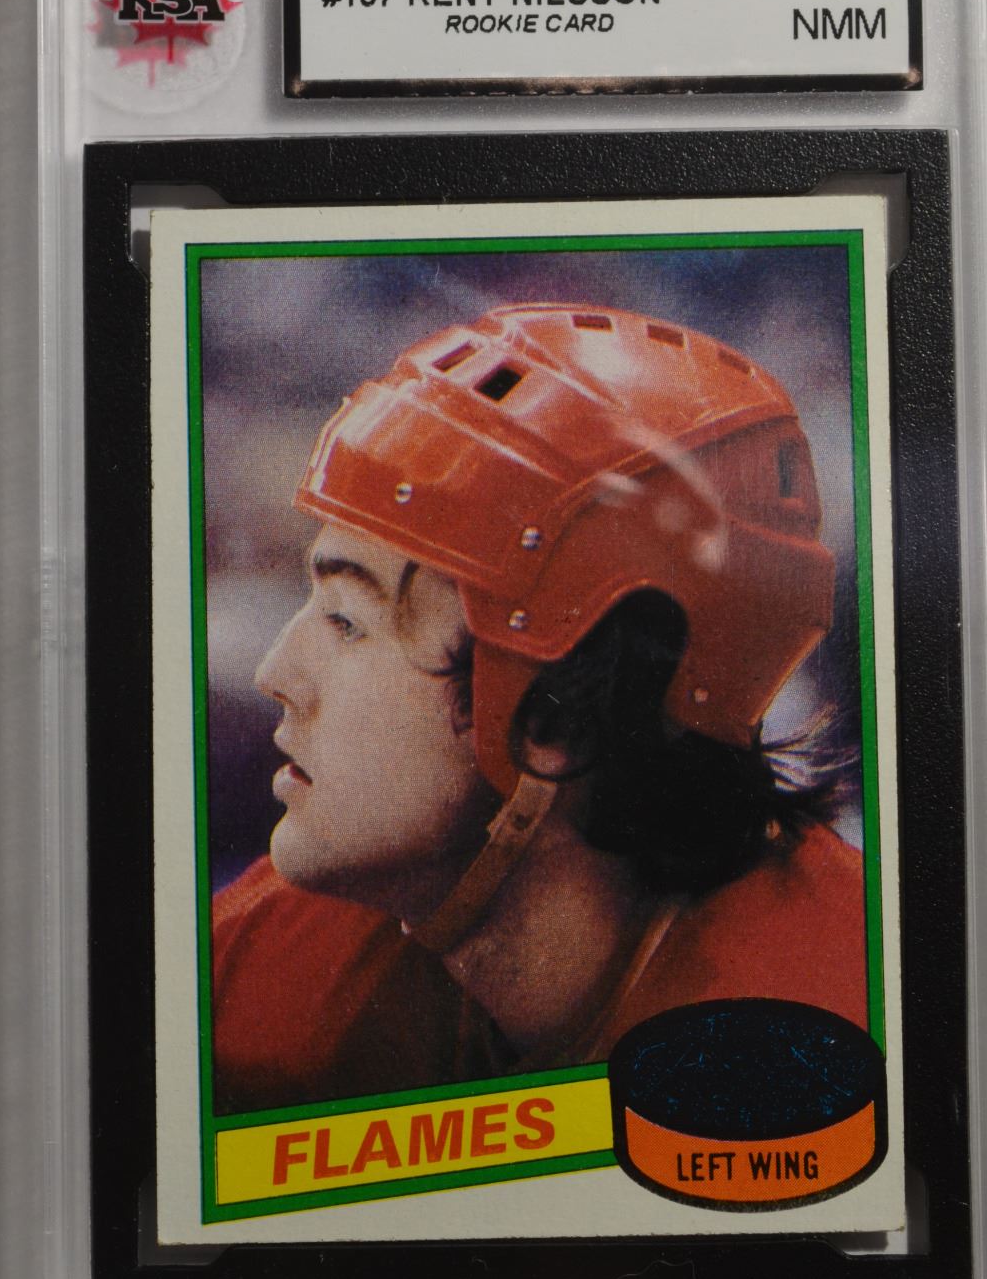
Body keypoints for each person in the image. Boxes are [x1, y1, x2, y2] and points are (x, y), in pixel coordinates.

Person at [213, 301, 866, 1106]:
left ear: (555, 716)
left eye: (348, 620)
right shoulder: (300, 945)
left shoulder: (807, 1046)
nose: (275, 673)